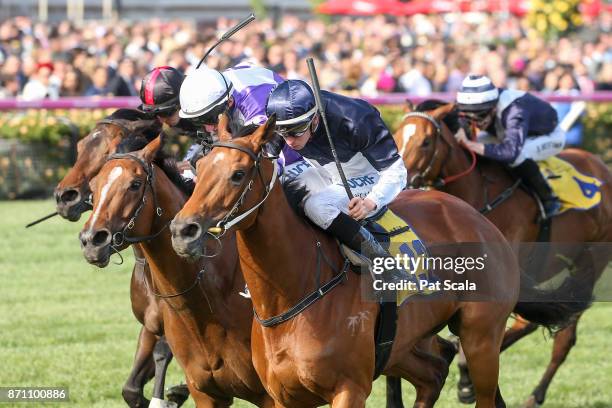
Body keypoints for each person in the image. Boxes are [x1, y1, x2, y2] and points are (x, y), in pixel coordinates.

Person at [265, 79, 409, 285]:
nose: (289, 141)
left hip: (370, 177)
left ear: (315, 119)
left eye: (296, 132)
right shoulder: (286, 120)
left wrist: (371, 201)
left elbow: (397, 171)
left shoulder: (356, 119)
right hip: (327, 173)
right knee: (287, 187)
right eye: (283, 133)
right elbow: (267, 163)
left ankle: (382, 260)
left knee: (317, 205)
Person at [455, 74, 565, 219]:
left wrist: (471, 144)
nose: (475, 121)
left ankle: (549, 199)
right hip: (505, 131)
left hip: (548, 135)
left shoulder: (515, 110)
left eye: (480, 115)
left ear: (493, 106)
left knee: (519, 156)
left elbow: (511, 151)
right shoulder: (477, 103)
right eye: (469, 116)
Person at [178, 61, 283, 139]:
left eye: (210, 119)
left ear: (229, 102)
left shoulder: (255, 109)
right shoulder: (215, 83)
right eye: (199, 121)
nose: (208, 129)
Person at [139, 66, 200, 177]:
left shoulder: (203, 108)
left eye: (166, 113)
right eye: (155, 114)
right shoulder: (149, 116)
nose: (162, 120)